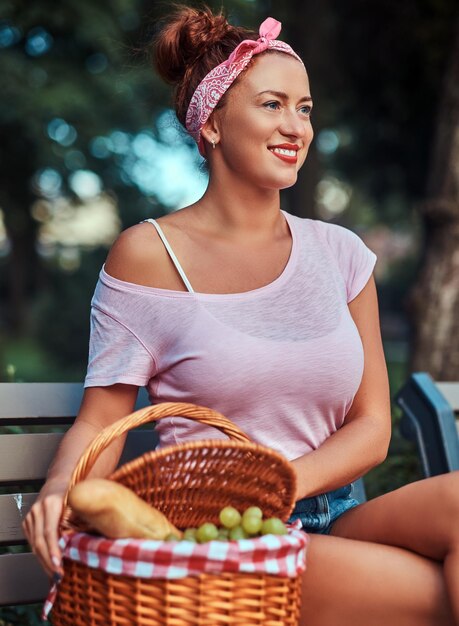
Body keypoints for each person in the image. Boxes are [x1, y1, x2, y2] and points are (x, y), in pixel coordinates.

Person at [24, 5, 459, 625]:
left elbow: (371, 427)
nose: (296, 127)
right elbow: (101, 421)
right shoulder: (148, 255)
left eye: (304, 108)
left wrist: (279, 482)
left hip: (334, 511)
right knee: (437, 599)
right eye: (272, 104)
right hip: (227, 541)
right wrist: (60, 489)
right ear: (212, 126)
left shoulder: (342, 256)